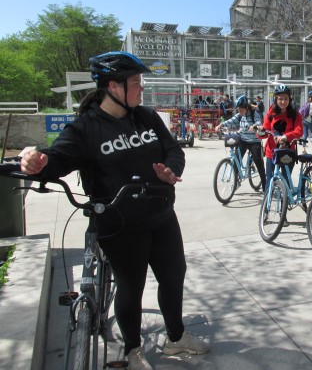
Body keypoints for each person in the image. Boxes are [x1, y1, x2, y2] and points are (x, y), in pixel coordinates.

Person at [20, 51, 209, 369]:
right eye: (135, 82)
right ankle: (133, 350)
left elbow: (172, 149)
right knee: (131, 288)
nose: (141, 88)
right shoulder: (86, 128)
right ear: (113, 86)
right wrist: (37, 162)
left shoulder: (146, 117)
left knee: (173, 277)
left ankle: (176, 338)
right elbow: (57, 158)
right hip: (120, 225)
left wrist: (171, 171)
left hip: (162, 215)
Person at [257, 84, 303, 192]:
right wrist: (261, 131)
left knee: (286, 181)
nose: (283, 102)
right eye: (280, 99)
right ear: (276, 99)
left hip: (288, 151)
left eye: (286, 99)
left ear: (290, 99)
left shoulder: (295, 114)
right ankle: (267, 201)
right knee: (269, 180)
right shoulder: (271, 113)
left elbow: (299, 131)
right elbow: (266, 130)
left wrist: (286, 136)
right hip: (272, 152)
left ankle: (285, 200)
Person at [216, 95, 266, 185]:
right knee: (236, 160)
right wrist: (221, 125)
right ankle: (236, 181)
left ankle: (265, 185)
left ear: (246, 107)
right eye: (238, 109)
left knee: (258, 162)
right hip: (243, 140)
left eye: (241, 109)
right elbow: (231, 120)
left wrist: (255, 126)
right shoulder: (240, 115)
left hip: (254, 141)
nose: (239, 111)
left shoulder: (254, 114)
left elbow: (258, 122)